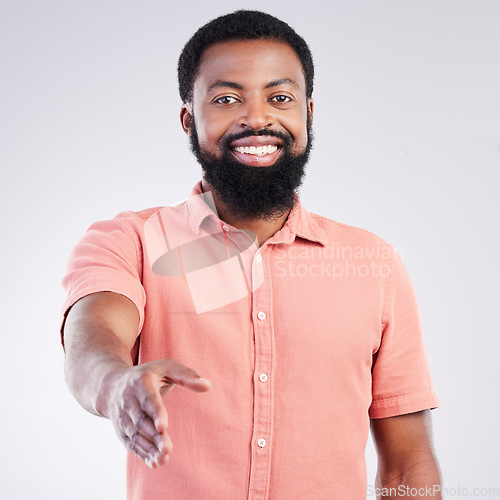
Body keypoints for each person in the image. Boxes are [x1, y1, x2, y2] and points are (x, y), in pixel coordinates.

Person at [61, 10, 441, 499]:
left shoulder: (375, 264)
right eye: (226, 98)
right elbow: (93, 339)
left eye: (279, 97)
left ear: (308, 113)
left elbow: (408, 462)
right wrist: (114, 386)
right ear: (188, 118)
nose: (257, 117)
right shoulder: (131, 240)